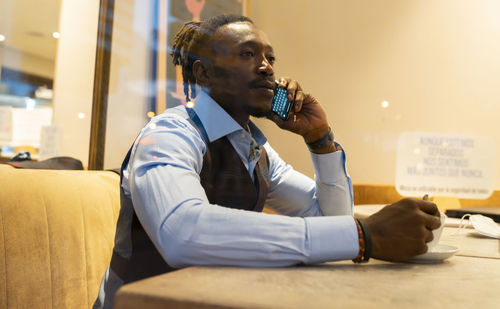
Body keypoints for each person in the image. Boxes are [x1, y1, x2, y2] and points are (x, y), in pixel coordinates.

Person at [94, 14, 441, 308]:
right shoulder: (171, 133)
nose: (266, 68)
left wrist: (319, 139)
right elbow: (183, 231)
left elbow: (330, 219)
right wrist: (362, 234)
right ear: (203, 74)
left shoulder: (255, 150)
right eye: (247, 54)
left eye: (270, 58)